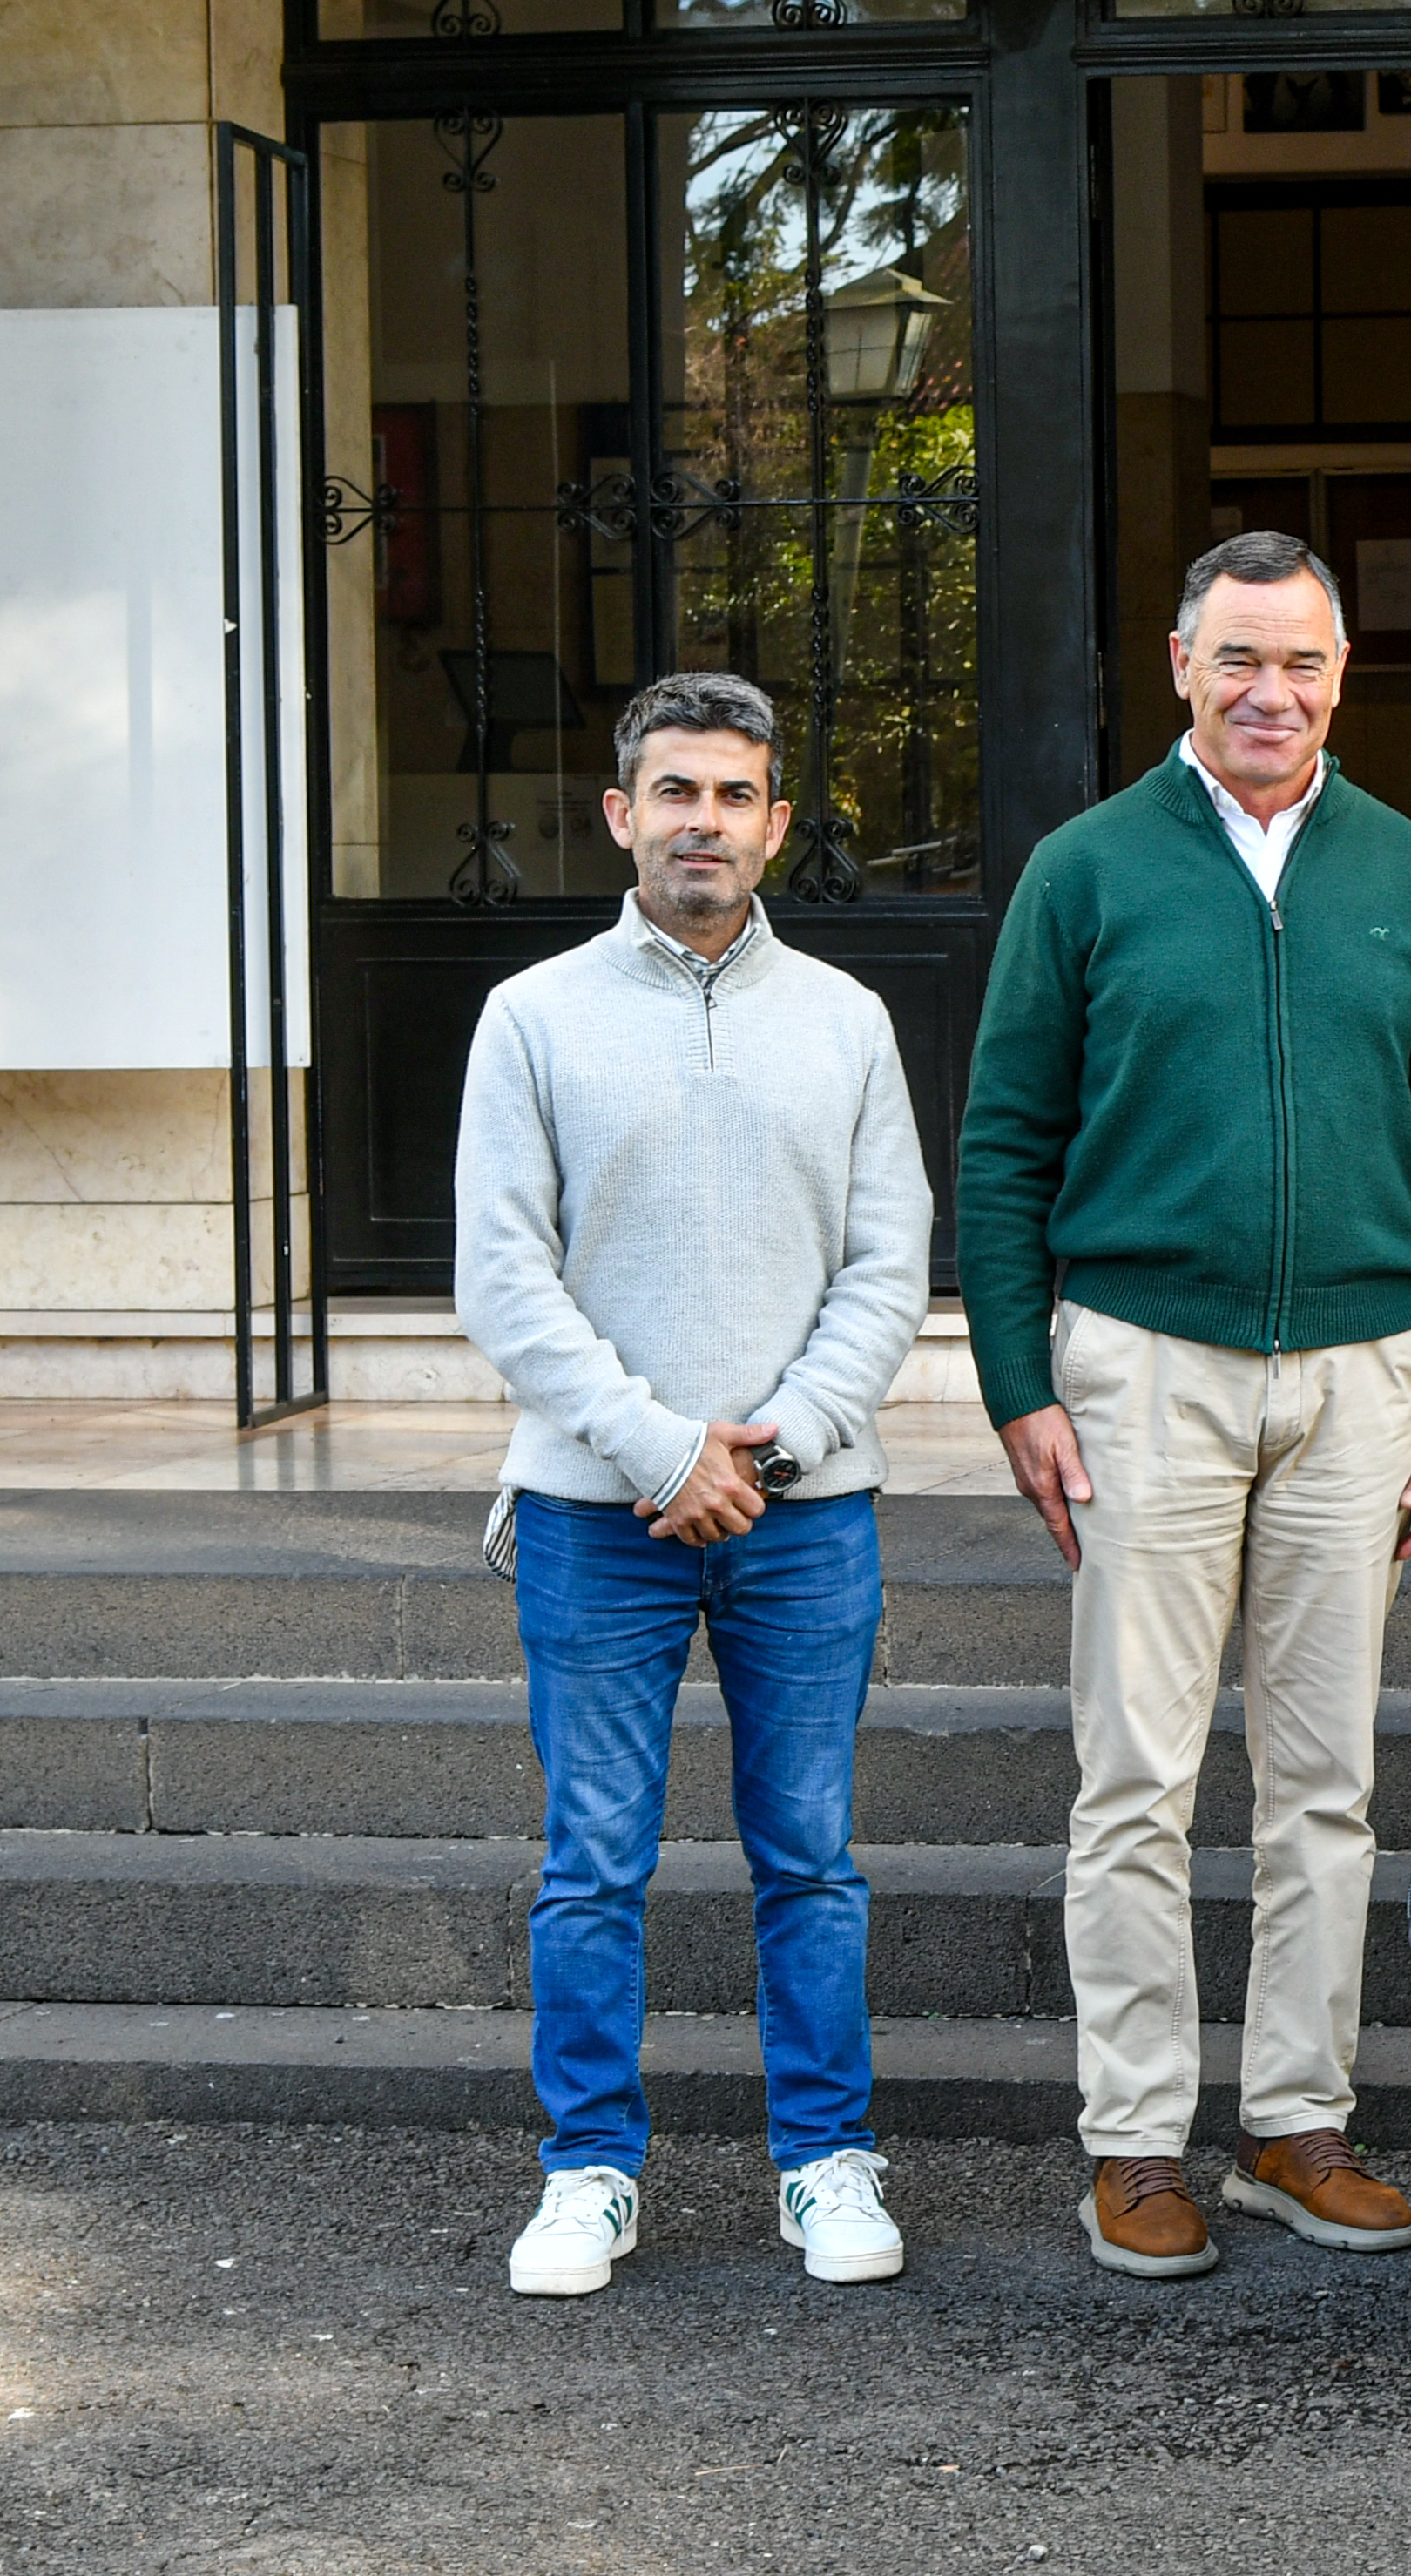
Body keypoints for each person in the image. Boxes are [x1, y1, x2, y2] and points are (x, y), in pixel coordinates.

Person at [959, 531, 1411, 2281]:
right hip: (1141, 1362)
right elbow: (1002, 1141)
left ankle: (1293, 2120)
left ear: (1341, 678)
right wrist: (1013, 1381)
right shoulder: (1088, 870)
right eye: (1236, 662)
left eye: (1301, 665)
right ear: (1181, 669)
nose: (1269, 693)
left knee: (1323, 1778)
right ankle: (1132, 2140)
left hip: (1363, 1373)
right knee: (1132, 1773)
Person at [455, 668, 934, 2299]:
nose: (704, 822)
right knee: (594, 1859)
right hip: (600, 1515)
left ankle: (826, 2161)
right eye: (676, 791)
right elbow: (504, 1280)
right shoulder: (531, 1015)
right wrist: (667, 1451)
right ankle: (589, 2168)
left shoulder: (849, 1022)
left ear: (777, 823)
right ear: (621, 813)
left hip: (807, 1511)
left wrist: (773, 1445)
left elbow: (888, 1266)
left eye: (734, 795)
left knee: (809, 1853)